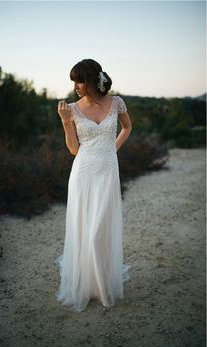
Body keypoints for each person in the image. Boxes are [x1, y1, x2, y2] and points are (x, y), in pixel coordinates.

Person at [55, 59, 132, 312]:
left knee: (100, 229)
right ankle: (88, 286)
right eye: (74, 81)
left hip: (108, 170)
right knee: (86, 229)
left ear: (91, 80)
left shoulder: (116, 103)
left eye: (79, 80)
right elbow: (75, 149)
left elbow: (127, 127)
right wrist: (66, 122)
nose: (75, 86)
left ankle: (102, 286)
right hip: (84, 172)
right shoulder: (73, 110)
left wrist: (113, 149)